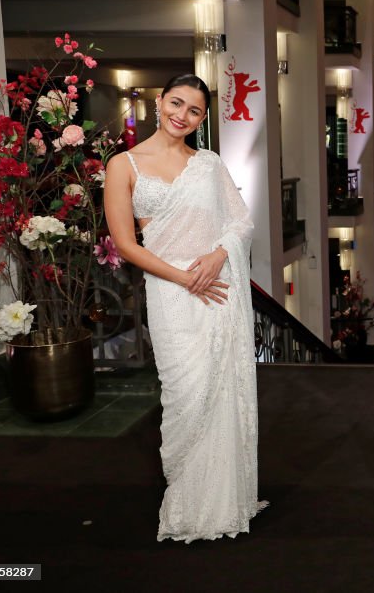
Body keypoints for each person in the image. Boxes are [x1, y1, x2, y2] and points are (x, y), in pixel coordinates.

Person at [104, 74, 266, 543]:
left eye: (194, 111)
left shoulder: (209, 163)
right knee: (185, 394)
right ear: (160, 102)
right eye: (177, 103)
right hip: (171, 291)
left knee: (221, 391)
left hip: (218, 289)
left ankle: (223, 500)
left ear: (202, 119)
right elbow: (124, 243)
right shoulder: (124, 164)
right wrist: (183, 278)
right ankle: (188, 497)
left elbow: (240, 222)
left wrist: (217, 257)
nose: (183, 115)